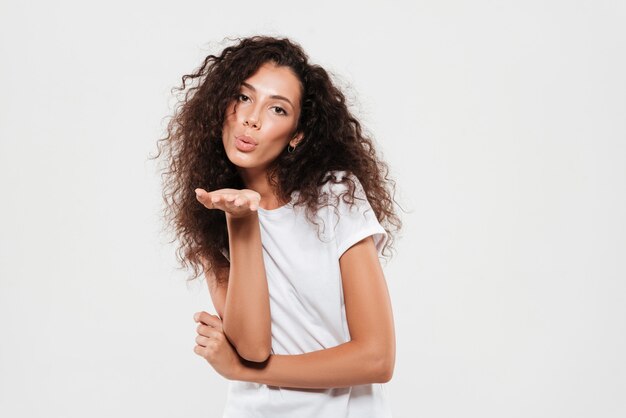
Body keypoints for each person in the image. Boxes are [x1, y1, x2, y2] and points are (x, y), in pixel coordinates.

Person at [153, 35, 402, 417]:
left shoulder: (335, 195)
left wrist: (241, 370)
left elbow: (376, 358)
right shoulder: (211, 210)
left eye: (278, 110)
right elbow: (253, 345)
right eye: (243, 97)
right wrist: (241, 221)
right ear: (222, 105)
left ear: (297, 135)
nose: (252, 117)